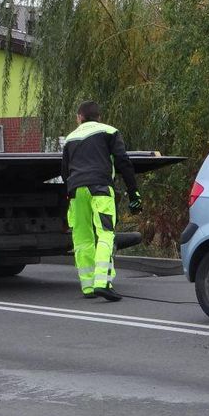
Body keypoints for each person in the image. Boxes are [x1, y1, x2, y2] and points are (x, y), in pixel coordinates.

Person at [61, 101, 142, 301]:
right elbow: (124, 163)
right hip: (100, 188)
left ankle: (88, 286)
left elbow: (64, 172)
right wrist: (134, 194)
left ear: (79, 117)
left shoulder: (71, 138)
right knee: (105, 233)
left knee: (81, 237)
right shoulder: (110, 131)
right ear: (99, 116)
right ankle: (102, 283)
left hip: (76, 191)